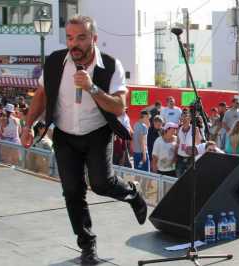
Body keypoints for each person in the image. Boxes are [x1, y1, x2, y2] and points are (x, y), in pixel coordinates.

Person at [21, 15, 146, 264]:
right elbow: (43, 94)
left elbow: (120, 107)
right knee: (72, 191)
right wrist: (28, 124)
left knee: (101, 184)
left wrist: (92, 88)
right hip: (65, 135)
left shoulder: (110, 65)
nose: (74, 44)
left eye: (80, 38)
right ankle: (87, 245)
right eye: (69, 37)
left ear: (94, 39)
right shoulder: (56, 61)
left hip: (98, 132)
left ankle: (132, 192)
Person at [176, 112, 201, 177]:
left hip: (190, 158)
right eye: (183, 117)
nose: (184, 119)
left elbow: (198, 144)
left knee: (189, 177)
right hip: (180, 157)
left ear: (190, 119)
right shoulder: (179, 129)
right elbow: (178, 143)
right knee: (179, 177)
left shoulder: (195, 129)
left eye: (186, 117)